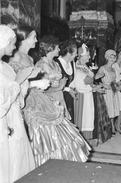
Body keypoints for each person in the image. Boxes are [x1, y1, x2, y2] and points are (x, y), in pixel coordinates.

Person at [23, 37, 91, 167]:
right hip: (47, 101)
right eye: (57, 47)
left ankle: (65, 160)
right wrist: (60, 86)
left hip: (60, 98)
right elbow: (39, 88)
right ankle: (52, 163)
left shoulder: (54, 63)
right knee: (53, 136)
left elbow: (59, 83)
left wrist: (64, 88)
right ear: (50, 49)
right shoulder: (41, 64)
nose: (59, 49)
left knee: (65, 133)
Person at [0, 25, 36, 183]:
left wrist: (25, 80)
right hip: (4, 121)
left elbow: (16, 94)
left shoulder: (5, 66)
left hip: (14, 117)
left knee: (19, 158)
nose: (15, 46)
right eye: (12, 43)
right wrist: (19, 81)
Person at [70, 43, 95, 140]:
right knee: (82, 118)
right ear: (81, 56)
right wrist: (90, 82)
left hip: (87, 95)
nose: (89, 57)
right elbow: (81, 83)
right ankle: (80, 139)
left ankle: (86, 138)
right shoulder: (77, 67)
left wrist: (92, 86)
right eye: (88, 55)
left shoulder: (84, 67)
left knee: (88, 118)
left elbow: (89, 81)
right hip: (81, 96)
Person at [95, 50, 120, 135]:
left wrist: (116, 86)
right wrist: (103, 84)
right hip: (106, 91)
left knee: (112, 109)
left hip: (112, 90)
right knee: (107, 109)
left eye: (114, 56)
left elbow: (115, 80)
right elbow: (96, 78)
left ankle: (112, 126)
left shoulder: (113, 69)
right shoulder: (103, 68)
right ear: (107, 57)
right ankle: (106, 127)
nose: (113, 58)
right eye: (111, 56)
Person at [56, 40, 77, 123]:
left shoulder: (72, 63)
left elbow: (72, 81)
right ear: (69, 53)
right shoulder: (57, 63)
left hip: (68, 96)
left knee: (71, 119)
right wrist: (68, 89)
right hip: (59, 95)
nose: (76, 55)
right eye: (75, 53)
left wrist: (72, 89)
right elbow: (55, 84)